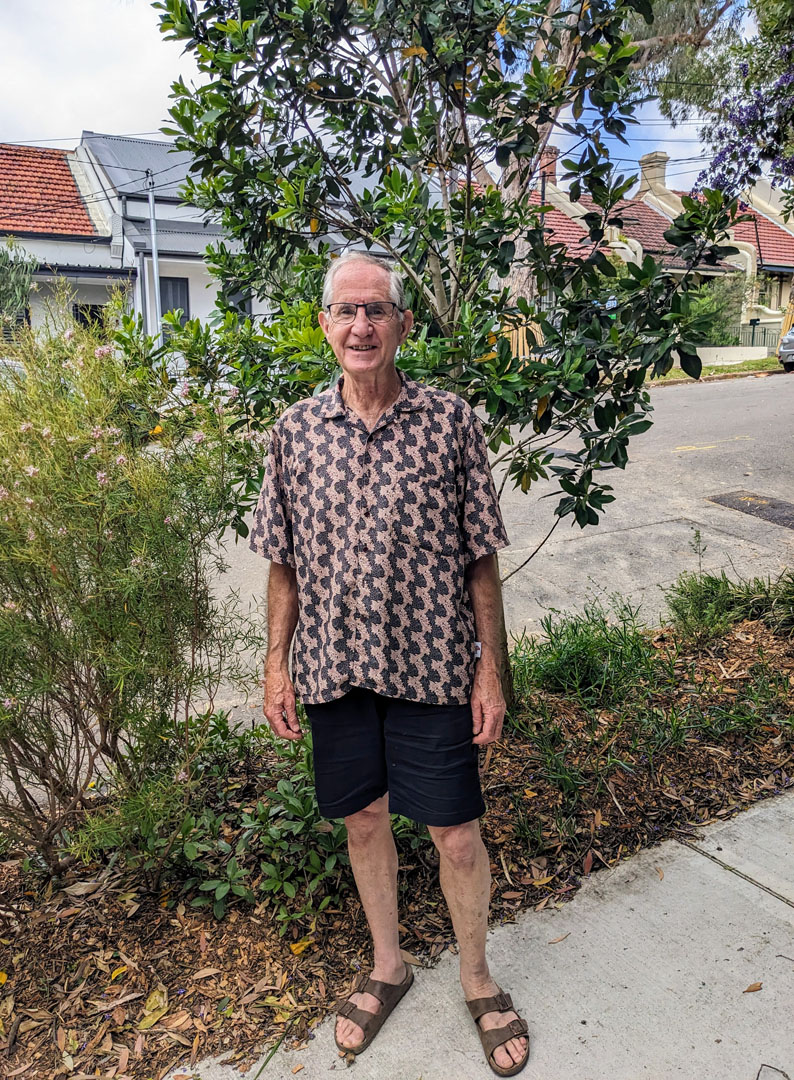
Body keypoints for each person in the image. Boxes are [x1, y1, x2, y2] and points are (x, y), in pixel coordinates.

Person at [249, 251, 529, 1076]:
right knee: (363, 820)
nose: (361, 326)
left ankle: (477, 979)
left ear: (403, 324)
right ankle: (389, 966)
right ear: (324, 324)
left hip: (434, 668)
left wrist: (491, 670)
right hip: (335, 668)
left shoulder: (450, 422)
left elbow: (482, 558)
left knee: (455, 832)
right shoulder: (294, 431)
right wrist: (276, 663)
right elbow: (282, 565)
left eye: (377, 311)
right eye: (346, 311)